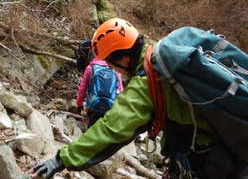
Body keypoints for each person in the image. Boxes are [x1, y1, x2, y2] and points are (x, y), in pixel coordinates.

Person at [29, 18, 248, 179]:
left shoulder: (146, 81)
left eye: (111, 62)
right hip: (229, 150)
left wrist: (61, 159)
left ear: (123, 57)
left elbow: (112, 129)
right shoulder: (165, 54)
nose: (112, 67)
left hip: (209, 161)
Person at [76, 55, 123, 127]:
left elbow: (83, 89)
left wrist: (79, 104)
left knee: (92, 127)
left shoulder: (90, 68)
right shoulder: (115, 69)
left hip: (93, 104)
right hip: (110, 106)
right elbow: (120, 90)